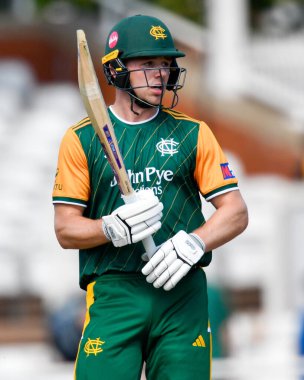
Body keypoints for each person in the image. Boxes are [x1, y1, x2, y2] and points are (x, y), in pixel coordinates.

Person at [52, 14, 248, 380]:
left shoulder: (194, 133)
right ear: (115, 69)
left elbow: (235, 211)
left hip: (182, 292)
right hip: (114, 293)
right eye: (147, 64)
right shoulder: (80, 139)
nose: (161, 73)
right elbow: (65, 230)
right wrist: (111, 228)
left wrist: (193, 243)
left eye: (165, 64)